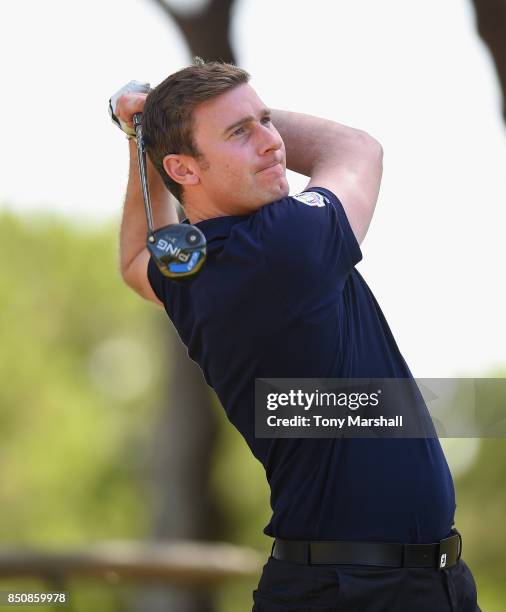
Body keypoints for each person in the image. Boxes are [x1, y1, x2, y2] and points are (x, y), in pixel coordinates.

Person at [110, 59, 480, 611]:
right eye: (240, 132)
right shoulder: (289, 239)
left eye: (266, 120)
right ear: (184, 169)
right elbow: (356, 148)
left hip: (393, 583)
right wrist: (158, 110)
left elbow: (136, 257)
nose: (272, 142)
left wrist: (151, 130)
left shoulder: (190, 266)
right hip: (360, 590)